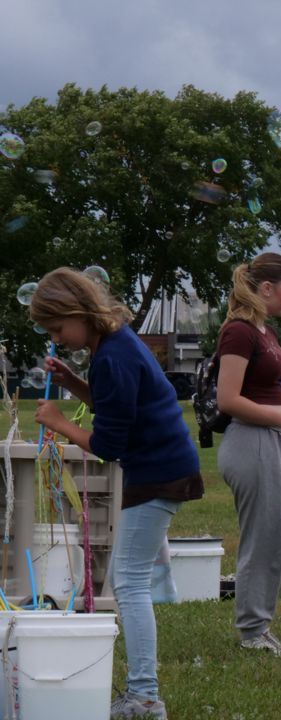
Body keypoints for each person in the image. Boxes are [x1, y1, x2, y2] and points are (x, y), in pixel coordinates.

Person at [30, 267, 205, 720]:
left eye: (57, 328)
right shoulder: (118, 344)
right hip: (163, 467)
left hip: (157, 472)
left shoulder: (112, 357)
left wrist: (60, 423)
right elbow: (118, 408)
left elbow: (109, 444)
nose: (57, 338)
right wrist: (71, 382)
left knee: (128, 582)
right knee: (131, 580)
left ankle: (145, 697)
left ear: (77, 311)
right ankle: (142, 694)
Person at [213, 252, 281, 655]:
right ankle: (253, 631)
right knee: (265, 540)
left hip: (275, 441)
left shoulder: (265, 329)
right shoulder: (239, 332)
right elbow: (228, 398)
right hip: (252, 441)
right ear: (266, 288)